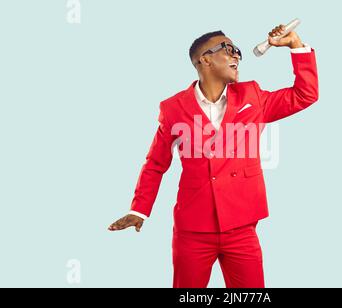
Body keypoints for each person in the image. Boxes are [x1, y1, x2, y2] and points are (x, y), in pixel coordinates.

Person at [109, 24, 319, 288]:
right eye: (228, 49)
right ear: (205, 59)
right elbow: (155, 163)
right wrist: (139, 210)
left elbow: (305, 94)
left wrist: (295, 44)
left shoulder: (252, 96)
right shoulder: (174, 108)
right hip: (193, 230)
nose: (236, 55)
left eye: (237, 51)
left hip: (241, 227)